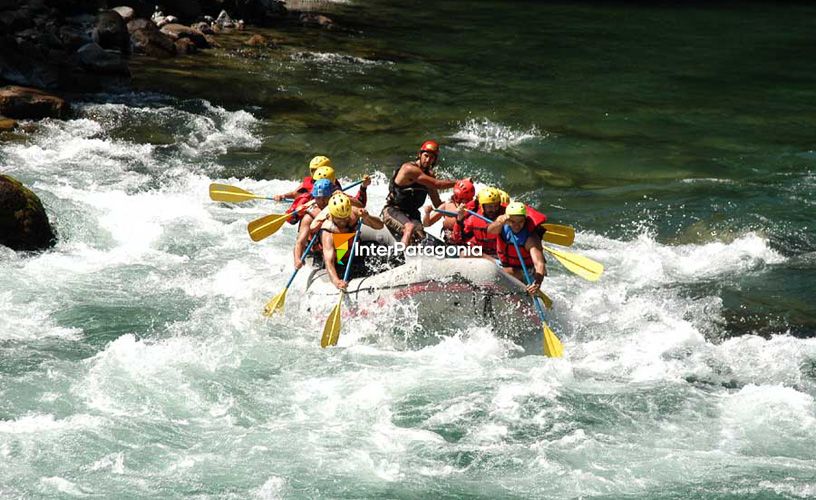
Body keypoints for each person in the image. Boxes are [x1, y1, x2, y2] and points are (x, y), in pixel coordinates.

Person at [381, 140, 460, 247]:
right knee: (409, 227)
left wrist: (455, 211)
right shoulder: (408, 169)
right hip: (393, 210)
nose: (428, 160)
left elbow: (437, 203)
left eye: (431, 158)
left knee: (422, 240)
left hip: (413, 215)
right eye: (426, 156)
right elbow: (438, 184)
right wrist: (459, 182)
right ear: (419, 154)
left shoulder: (430, 176)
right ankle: (399, 255)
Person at [318, 192, 384, 291]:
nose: (343, 221)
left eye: (345, 218)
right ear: (331, 215)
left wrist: (367, 217)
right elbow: (329, 262)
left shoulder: (355, 213)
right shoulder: (328, 232)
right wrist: (337, 282)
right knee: (352, 267)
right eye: (339, 219)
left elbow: (379, 226)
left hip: (354, 251)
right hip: (340, 263)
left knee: (379, 248)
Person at [486, 202, 547, 296]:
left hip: (525, 273)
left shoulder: (531, 239)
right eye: (513, 221)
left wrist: (537, 283)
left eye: (520, 222)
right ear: (507, 220)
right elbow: (490, 231)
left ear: (525, 220)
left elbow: (539, 263)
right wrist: (499, 222)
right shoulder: (501, 226)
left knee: (502, 272)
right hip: (504, 265)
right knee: (469, 254)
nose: (517, 225)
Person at [285, 165, 369, 225]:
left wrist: (363, 187)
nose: (322, 201)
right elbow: (290, 219)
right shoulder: (306, 198)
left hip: (336, 234)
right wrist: (296, 214)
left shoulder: (337, 194)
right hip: (315, 241)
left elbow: (360, 205)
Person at [292, 179, 333, 270]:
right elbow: (301, 241)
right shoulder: (309, 217)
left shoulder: (338, 205)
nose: (322, 201)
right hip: (316, 250)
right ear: (314, 197)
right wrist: (297, 259)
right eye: (318, 198)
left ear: (331, 196)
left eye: (325, 197)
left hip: (335, 246)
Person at [451, 186, 504, 256]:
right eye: (490, 207)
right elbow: (457, 239)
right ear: (482, 206)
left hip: (499, 255)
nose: (494, 210)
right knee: (464, 254)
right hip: (481, 253)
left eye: (496, 206)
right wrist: (459, 220)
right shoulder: (473, 219)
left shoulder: (506, 215)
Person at [421, 179, 476, 243]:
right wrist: (427, 213)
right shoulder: (446, 206)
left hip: (466, 243)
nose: (466, 201)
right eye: (464, 199)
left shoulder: (474, 207)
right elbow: (426, 224)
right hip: (449, 242)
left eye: (468, 199)